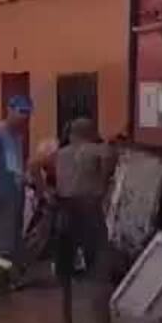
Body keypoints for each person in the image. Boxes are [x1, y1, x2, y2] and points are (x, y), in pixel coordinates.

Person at [53, 118, 115, 310]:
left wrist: (44, 191)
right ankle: (98, 307)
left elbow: (33, 164)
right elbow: (110, 158)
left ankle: (65, 308)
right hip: (89, 207)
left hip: (64, 207)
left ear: (72, 135)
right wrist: (103, 182)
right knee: (96, 258)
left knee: (65, 259)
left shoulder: (60, 153)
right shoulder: (98, 150)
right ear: (91, 134)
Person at [0, 95, 33, 294]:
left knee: (13, 240)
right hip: (1, 194)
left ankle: (8, 282)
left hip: (16, 193)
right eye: (21, 112)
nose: (24, 117)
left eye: (27, 114)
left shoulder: (18, 136)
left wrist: (25, 178)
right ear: (10, 110)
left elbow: (16, 164)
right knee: (3, 244)